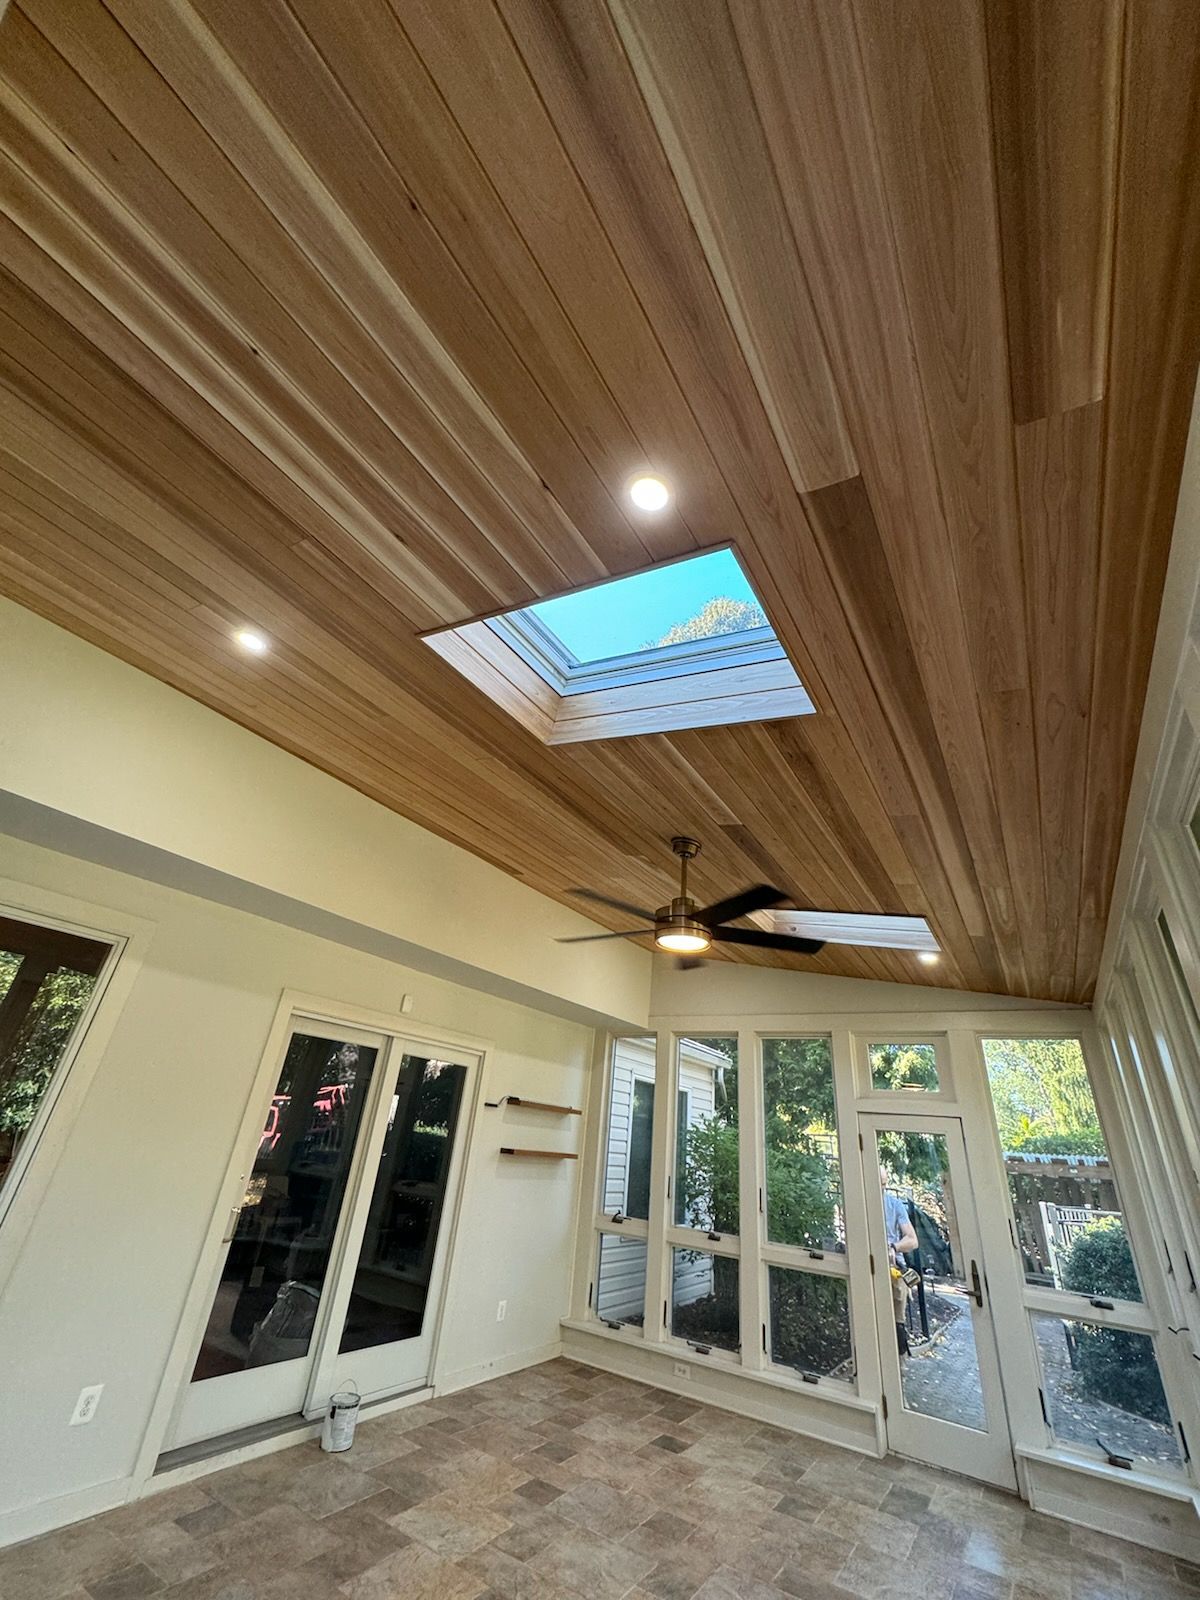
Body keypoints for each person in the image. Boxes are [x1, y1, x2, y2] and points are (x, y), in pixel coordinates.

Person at [881, 1166, 918, 1355]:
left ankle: (898, 1358)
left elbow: (912, 1240)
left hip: (893, 1266)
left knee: (896, 1318)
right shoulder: (857, 1203)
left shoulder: (894, 1205)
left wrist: (893, 1248)